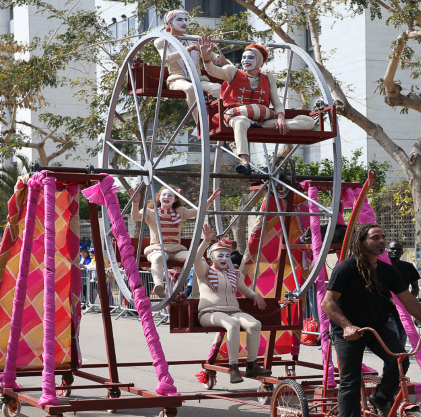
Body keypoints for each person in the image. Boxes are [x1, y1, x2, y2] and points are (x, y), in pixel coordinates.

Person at [321, 223, 421, 417]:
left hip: (377, 326)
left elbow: (408, 300)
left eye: (383, 237)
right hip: (349, 329)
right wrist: (346, 326)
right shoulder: (346, 268)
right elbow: (328, 303)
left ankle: (380, 397)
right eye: (376, 237)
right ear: (362, 241)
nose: (382, 241)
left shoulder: (388, 271)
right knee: (350, 381)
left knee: (401, 360)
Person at [200, 35, 316, 175]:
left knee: (309, 121)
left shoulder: (268, 79)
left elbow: (277, 103)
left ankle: (261, 127)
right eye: (244, 57)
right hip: (237, 116)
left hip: (263, 120)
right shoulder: (233, 72)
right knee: (241, 121)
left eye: (250, 58)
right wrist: (206, 58)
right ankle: (245, 163)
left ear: (259, 62)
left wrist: (280, 118)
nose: (245, 60)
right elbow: (214, 71)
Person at [194, 225, 271, 384]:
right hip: (210, 313)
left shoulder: (234, 274)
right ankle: (234, 367)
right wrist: (206, 241)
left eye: (226, 256)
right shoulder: (205, 271)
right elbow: (195, 259)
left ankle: (252, 365)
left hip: (233, 311)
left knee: (255, 324)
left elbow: (245, 291)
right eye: (219, 256)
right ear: (212, 257)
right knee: (233, 324)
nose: (223, 259)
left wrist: (255, 295)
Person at [131, 186, 219, 298]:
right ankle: (158, 286)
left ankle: (196, 292)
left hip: (177, 249)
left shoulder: (180, 212)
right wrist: (135, 203)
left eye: (170, 195)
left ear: (175, 199)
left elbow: (198, 211)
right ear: (159, 197)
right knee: (157, 257)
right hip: (158, 248)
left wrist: (209, 200)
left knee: (198, 258)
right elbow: (135, 217)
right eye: (164, 195)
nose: (166, 197)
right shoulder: (150, 212)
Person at [154, 10, 225, 111]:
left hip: (198, 79)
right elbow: (167, 59)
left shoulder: (195, 39)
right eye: (179, 19)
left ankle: (223, 119)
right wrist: (187, 49)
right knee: (190, 88)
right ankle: (200, 123)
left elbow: (207, 52)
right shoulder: (163, 41)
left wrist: (216, 57)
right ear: (170, 23)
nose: (184, 23)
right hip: (178, 80)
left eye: (185, 20)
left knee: (217, 88)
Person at [386, 241, 421, 348]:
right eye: (392, 249)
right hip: (386, 310)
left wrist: (408, 300)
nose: (395, 251)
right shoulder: (381, 266)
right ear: (387, 250)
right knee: (393, 337)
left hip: (403, 309)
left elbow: (415, 287)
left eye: (398, 249)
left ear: (402, 252)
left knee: (402, 338)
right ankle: (393, 360)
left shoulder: (408, 267)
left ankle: (399, 361)